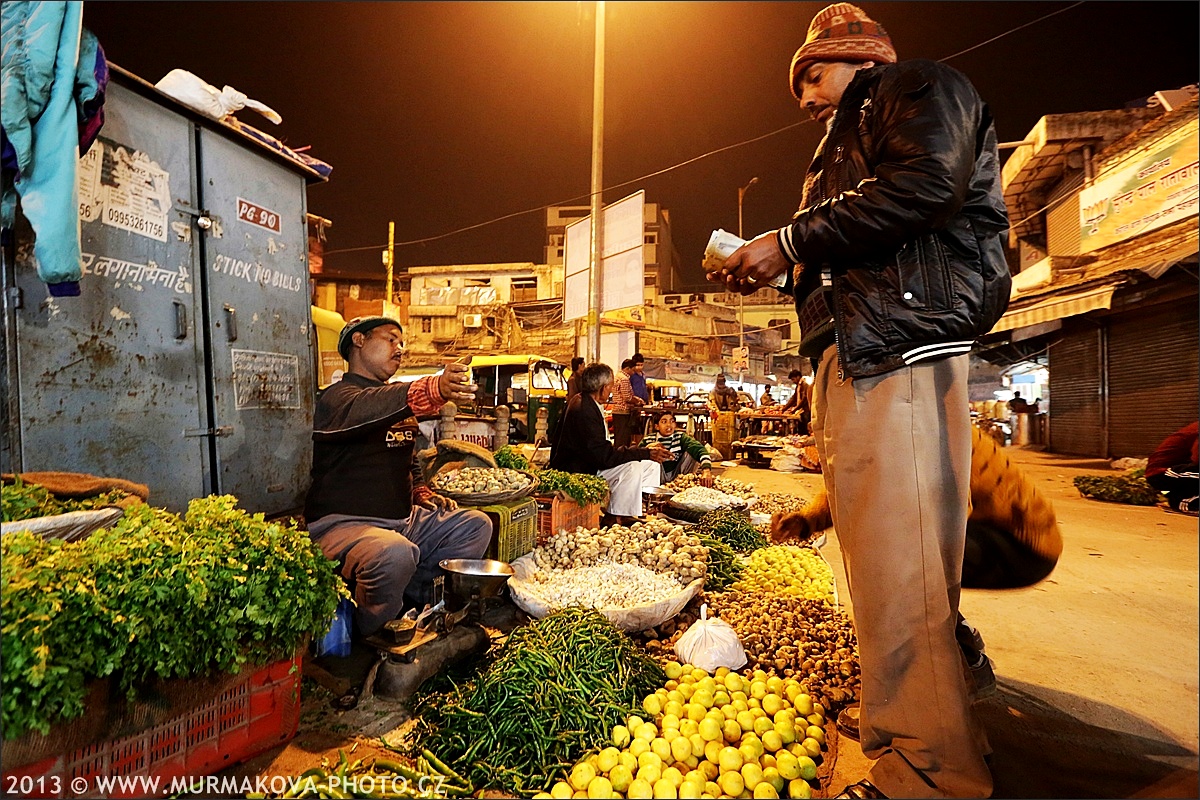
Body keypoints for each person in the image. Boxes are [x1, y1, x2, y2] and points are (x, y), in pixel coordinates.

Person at [711, 4, 1011, 797]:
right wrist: (782, 264)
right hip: (868, 352)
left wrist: (791, 239)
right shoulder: (848, 138)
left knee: (904, 572)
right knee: (883, 568)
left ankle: (931, 774)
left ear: (858, 56)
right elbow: (861, 238)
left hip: (899, 352)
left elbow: (925, 188)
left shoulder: (910, 88)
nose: (805, 95)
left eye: (813, 73)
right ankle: (903, 729)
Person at [304, 316, 493, 640]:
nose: (399, 348)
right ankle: (372, 634)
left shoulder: (392, 400)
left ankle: (414, 608)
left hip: (402, 520)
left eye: (401, 342)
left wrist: (420, 489)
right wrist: (432, 387)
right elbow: (368, 408)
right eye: (391, 339)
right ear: (359, 341)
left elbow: (410, 456)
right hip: (344, 524)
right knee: (394, 552)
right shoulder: (336, 397)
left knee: (476, 524)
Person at [549, 363, 671, 525]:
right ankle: (616, 516)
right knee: (632, 467)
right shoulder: (583, 409)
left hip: (592, 461)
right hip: (580, 469)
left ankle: (636, 508)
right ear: (603, 388)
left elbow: (603, 450)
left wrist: (646, 454)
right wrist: (643, 452)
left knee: (651, 465)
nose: (612, 390)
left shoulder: (588, 401)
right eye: (611, 387)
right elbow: (604, 457)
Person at [642, 412, 714, 486]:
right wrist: (648, 449)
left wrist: (706, 470)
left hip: (679, 476)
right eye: (664, 422)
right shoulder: (648, 439)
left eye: (672, 421)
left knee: (692, 451)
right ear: (657, 426)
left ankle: (685, 484)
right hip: (657, 477)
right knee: (649, 455)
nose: (669, 425)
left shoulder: (680, 437)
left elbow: (700, 449)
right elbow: (635, 456)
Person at [1146, 421, 1199, 515]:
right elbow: (1196, 459)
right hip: (1162, 474)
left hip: (1185, 474)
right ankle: (1178, 502)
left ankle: (1180, 497)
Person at [609, 359, 644, 448]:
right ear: (628, 368)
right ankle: (621, 458)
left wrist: (637, 398)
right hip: (622, 411)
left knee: (619, 437)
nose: (633, 372)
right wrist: (638, 402)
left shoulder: (617, 376)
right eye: (632, 370)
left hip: (617, 411)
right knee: (623, 439)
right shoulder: (624, 379)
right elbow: (627, 397)